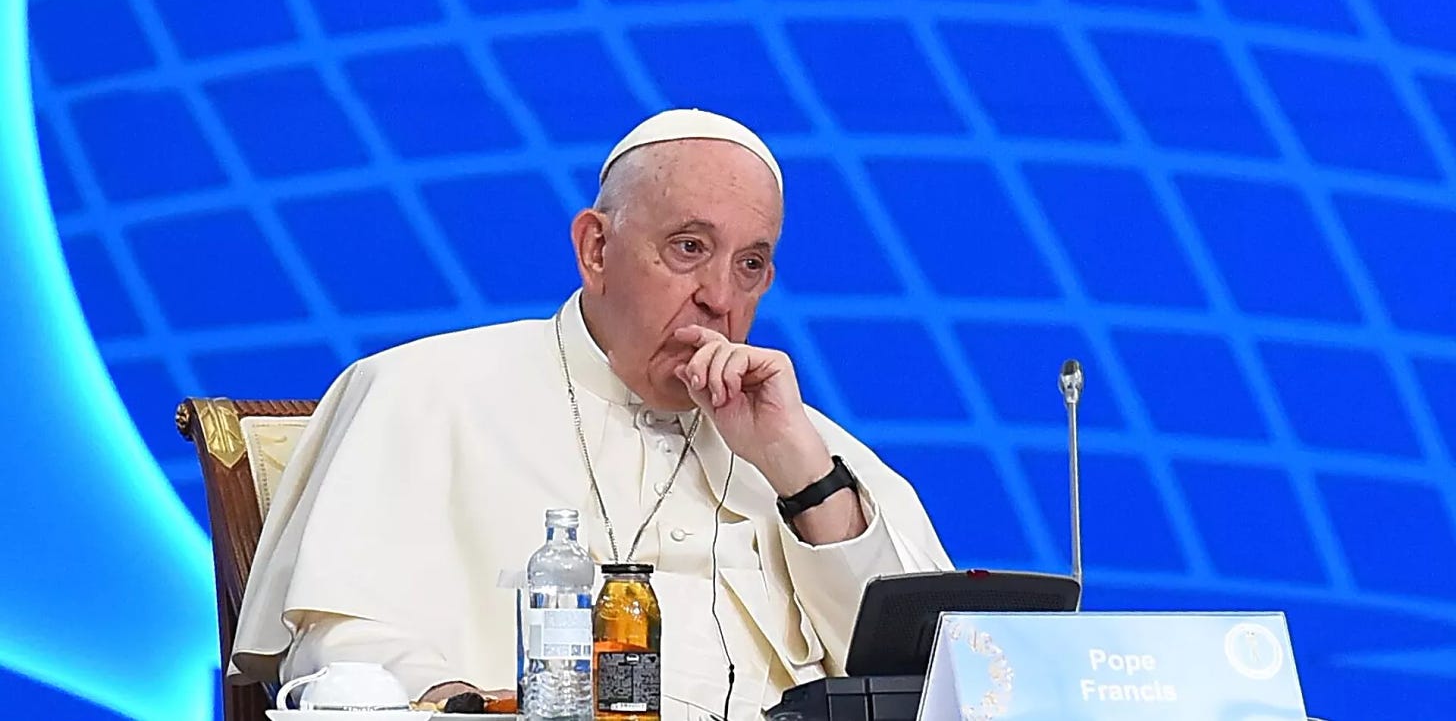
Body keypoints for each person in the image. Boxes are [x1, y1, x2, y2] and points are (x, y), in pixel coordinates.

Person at [231, 109, 952, 719]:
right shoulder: (423, 389)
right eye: (689, 248)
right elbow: (342, 642)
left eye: (751, 264)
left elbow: (922, 684)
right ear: (595, 248)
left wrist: (804, 480)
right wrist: (452, 701)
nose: (719, 297)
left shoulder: (807, 442)